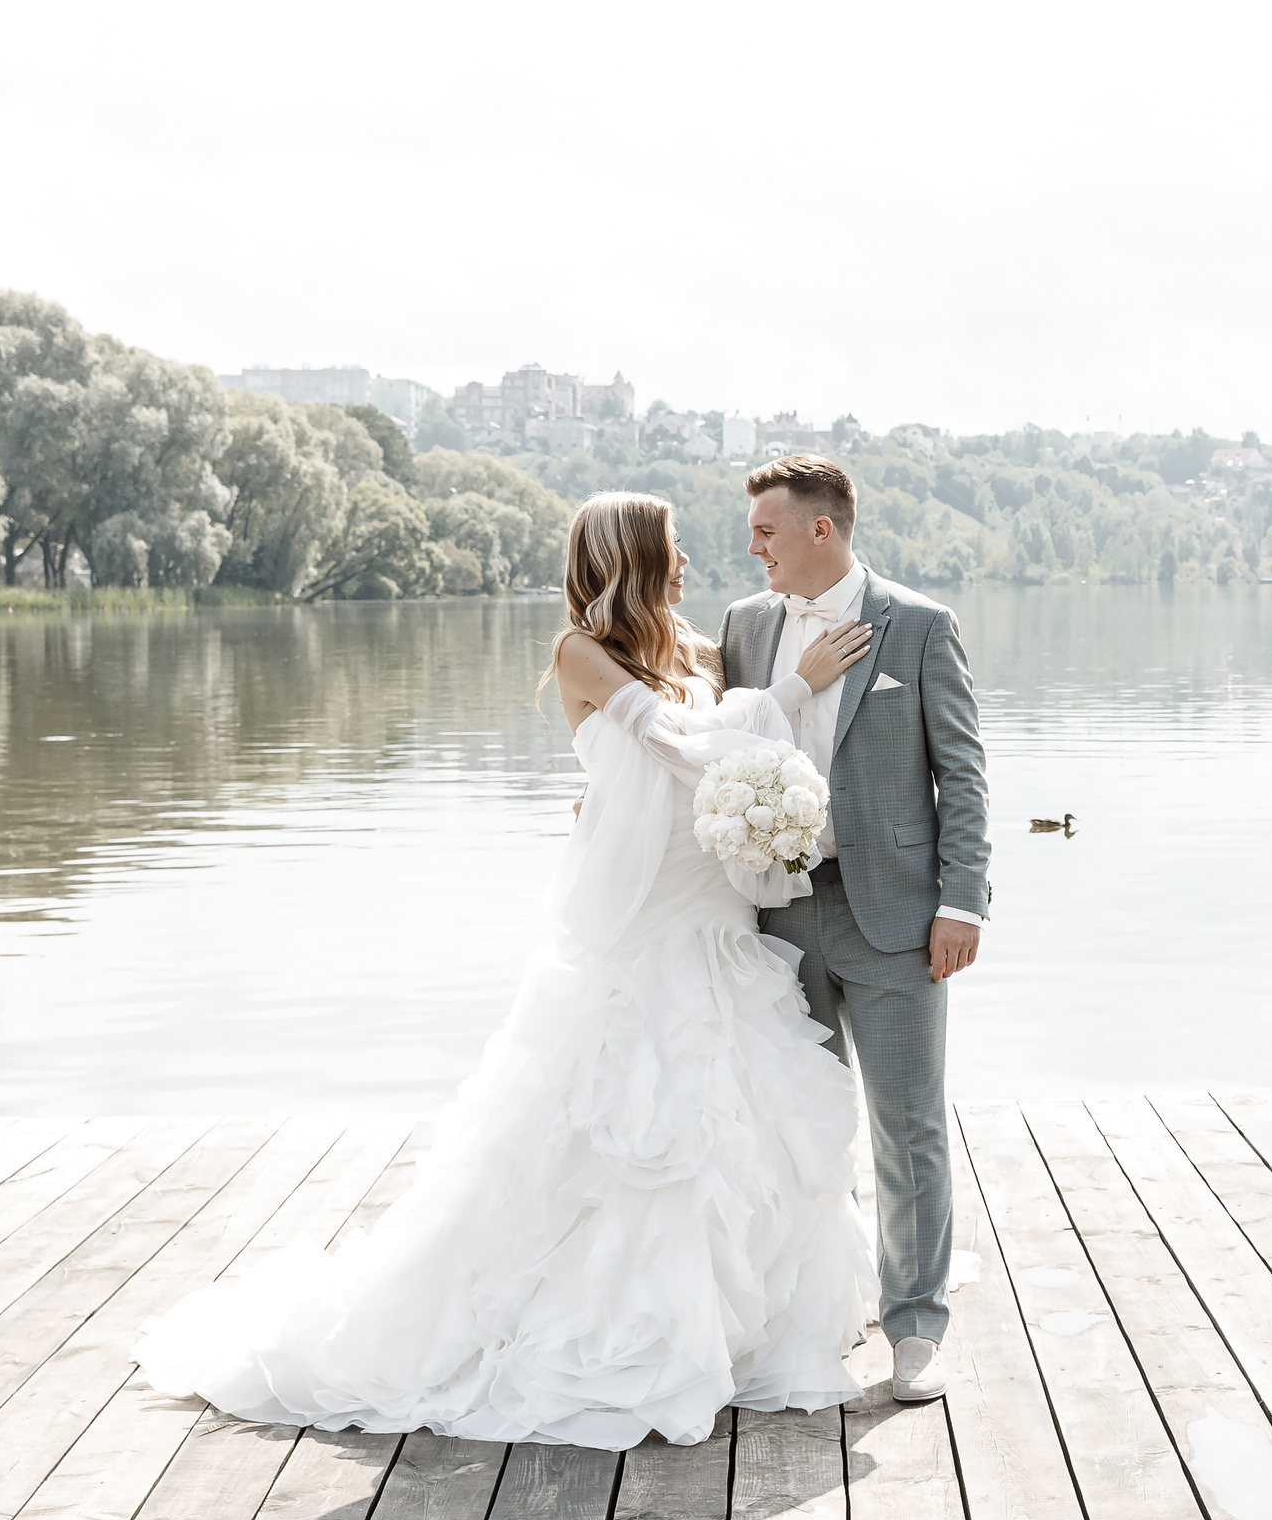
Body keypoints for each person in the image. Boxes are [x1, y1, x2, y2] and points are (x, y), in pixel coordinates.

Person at [132, 492, 882, 1449]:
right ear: (632, 556)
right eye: (673, 547)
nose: (690, 560)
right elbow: (676, 745)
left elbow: (715, 758)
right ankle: (618, 1334)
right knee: (635, 1135)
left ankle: (741, 1334)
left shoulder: (702, 652)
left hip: (717, 922)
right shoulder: (582, 652)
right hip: (643, 935)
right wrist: (789, 691)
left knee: (736, 1134)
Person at [717, 455, 991, 1404]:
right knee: (794, 1129)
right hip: (779, 916)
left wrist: (964, 901)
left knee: (907, 1127)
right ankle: (807, 1320)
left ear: (820, 530)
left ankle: (916, 1322)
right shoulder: (747, 628)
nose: (753, 547)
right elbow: (722, 749)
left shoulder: (919, 625)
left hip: (899, 922)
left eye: (766, 531)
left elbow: (963, 772)